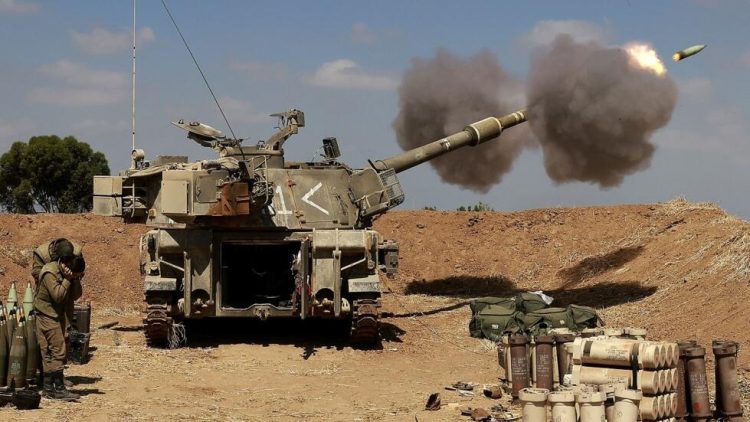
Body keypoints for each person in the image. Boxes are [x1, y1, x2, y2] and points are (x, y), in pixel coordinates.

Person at [33, 252, 85, 401]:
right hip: (47, 316)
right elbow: (58, 296)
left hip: (53, 316)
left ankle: (49, 388)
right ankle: (59, 389)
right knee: (57, 351)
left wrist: (75, 280)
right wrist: (68, 280)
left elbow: (75, 296)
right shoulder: (50, 272)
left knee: (51, 352)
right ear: (64, 265)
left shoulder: (65, 273)